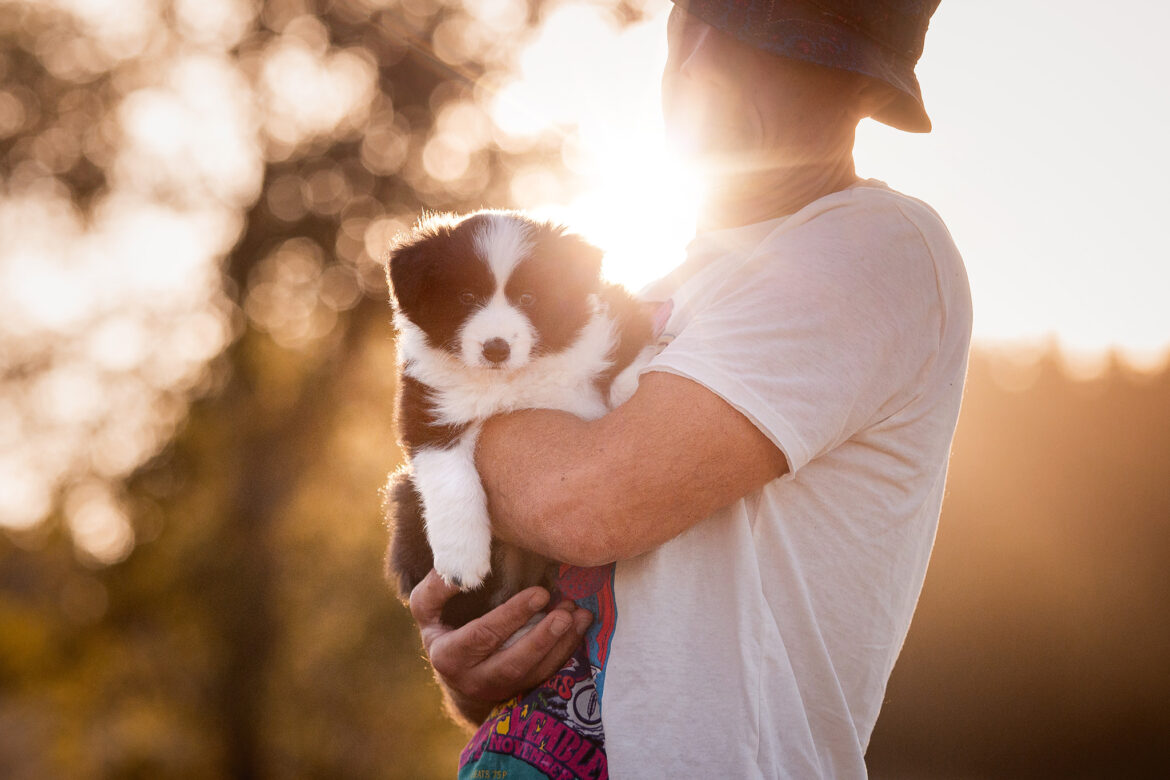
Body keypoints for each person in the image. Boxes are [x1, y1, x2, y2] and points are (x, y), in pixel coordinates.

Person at [406, 0, 970, 776]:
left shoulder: (876, 246)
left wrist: (447, 411)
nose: (698, 61)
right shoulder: (648, 291)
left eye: (764, 45)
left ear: (863, 93)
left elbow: (587, 501)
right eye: (694, 23)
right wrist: (477, 673)